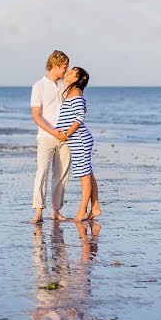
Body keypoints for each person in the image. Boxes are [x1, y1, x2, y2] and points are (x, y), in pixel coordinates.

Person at [30, 50, 72, 224]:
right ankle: (38, 211)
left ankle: (56, 211)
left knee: (62, 174)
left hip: (66, 136)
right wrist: (52, 131)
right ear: (54, 66)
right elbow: (36, 115)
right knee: (42, 172)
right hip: (47, 135)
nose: (66, 70)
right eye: (64, 66)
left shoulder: (65, 84)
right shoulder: (38, 86)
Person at [55, 67, 102, 222]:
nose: (67, 73)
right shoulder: (72, 92)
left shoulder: (75, 93)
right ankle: (95, 207)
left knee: (84, 177)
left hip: (80, 140)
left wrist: (66, 134)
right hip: (78, 141)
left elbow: (79, 118)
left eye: (72, 73)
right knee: (88, 174)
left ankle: (82, 211)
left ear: (76, 79)